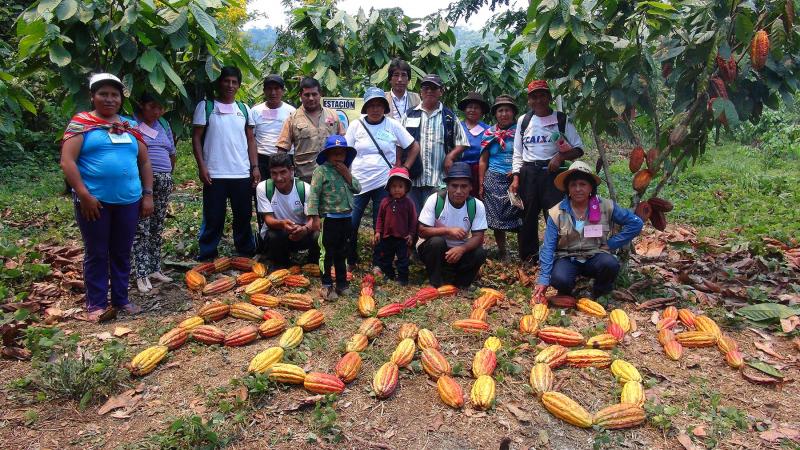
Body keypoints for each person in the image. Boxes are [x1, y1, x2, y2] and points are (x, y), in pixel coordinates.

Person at [60, 73, 153, 322]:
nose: (109, 99)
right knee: (97, 252)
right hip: (95, 202)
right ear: (93, 96)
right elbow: (67, 161)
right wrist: (83, 195)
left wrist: (147, 194)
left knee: (122, 251)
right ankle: (97, 304)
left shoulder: (129, 126)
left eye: (114, 95)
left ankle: (121, 299)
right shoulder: (81, 124)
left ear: (121, 98)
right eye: (103, 94)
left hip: (129, 201)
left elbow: (144, 162)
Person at [533, 161, 643, 299]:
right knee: (559, 278)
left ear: (591, 187)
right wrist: (543, 279)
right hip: (567, 258)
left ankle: (600, 292)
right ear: (567, 189)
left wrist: (612, 244)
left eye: (583, 184)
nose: (578, 189)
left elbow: (636, 223)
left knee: (610, 264)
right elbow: (548, 247)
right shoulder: (557, 212)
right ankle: (571, 292)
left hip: (595, 256)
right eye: (573, 185)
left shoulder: (606, 206)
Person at [510, 80, 585, 264]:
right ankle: (529, 257)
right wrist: (516, 177)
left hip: (553, 174)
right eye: (534, 97)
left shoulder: (561, 119)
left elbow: (578, 148)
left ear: (549, 97)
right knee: (528, 216)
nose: (538, 100)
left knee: (556, 214)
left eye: (542, 95)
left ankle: (559, 255)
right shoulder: (524, 120)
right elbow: (518, 152)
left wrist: (560, 156)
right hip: (529, 172)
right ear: (529, 100)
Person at [345, 87, 419, 268]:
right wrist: (345, 176)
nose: (375, 109)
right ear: (366, 107)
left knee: (382, 225)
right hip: (358, 183)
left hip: (384, 183)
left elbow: (413, 146)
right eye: (371, 105)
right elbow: (346, 152)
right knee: (351, 222)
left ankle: (379, 263)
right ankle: (350, 259)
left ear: (385, 108)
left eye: (379, 105)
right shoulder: (356, 125)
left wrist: (405, 168)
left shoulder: (392, 125)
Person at [192, 66, 259, 261]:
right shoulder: (206, 107)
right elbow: (196, 138)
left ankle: (245, 251)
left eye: (234, 82)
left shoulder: (244, 109)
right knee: (213, 216)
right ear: (219, 83)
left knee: (243, 215)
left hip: (241, 172)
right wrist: (202, 166)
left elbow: (251, 140)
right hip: (215, 173)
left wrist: (254, 167)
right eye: (226, 81)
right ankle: (208, 252)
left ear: (238, 85)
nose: (230, 85)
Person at [402, 74, 469, 213]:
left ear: (441, 92)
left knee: (435, 218)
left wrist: (450, 156)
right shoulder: (409, 115)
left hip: (438, 180)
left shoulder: (449, 116)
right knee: (412, 218)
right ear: (421, 92)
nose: (429, 91)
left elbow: (462, 142)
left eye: (434, 88)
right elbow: (399, 143)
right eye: (426, 88)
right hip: (412, 179)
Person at [132, 92, 177, 293]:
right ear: (142, 105)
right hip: (143, 182)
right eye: (152, 107)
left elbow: (172, 152)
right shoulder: (132, 122)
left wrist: (168, 175)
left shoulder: (164, 124)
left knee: (157, 226)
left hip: (163, 181)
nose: (157, 112)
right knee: (142, 227)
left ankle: (154, 268)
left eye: (160, 108)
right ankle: (140, 273)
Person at [307, 135, 361, 300]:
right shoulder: (321, 171)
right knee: (327, 252)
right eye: (334, 153)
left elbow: (358, 188)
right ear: (327, 154)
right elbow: (314, 195)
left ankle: (342, 284)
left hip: (346, 217)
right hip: (329, 218)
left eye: (341, 153)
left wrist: (346, 174)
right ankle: (327, 285)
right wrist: (314, 217)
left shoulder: (346, 170)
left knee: (342, 252)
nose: (338, 156)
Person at [417, 162, 487, 289]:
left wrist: (462, 249)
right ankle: (436, 282)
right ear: (447, 186)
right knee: (437, 242)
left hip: (460, 252)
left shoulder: (477, 205)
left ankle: (461, 284)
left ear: (471, 187)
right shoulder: (435, 200)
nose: (458, 191)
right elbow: (422, 231)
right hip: (436, 251)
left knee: (480, 253)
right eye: (454, 186)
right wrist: (447, 231)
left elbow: (478, 237)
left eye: (464, 186)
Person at [251, 74, 296, 249]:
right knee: (262, 197)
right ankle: (265, 240)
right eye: (269, 89)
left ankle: (288, 236)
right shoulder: (256, 111)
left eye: (277, 88)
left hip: (285, 159)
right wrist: (254, 166)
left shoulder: (291, 111)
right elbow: (251, 139)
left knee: (286, 197)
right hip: (262, 159)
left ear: (283, 91)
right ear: (264, 91)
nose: (273, 92)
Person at [255, 153, 319, 270]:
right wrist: (282, 224)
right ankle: (281, 264)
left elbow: (314, 220)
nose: (279, 178)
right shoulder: (263, 188)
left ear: (291, 170)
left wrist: (304, 229)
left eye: (283, 172)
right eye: (274, 173)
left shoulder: (305, 189)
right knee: (273, 235)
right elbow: (268, 219)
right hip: (279, 233)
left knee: (317, 234)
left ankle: (313, 263)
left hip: (301, 232)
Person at [276, 77, 345, 183]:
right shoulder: (292, 119)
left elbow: (343, 144)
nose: (311, 98)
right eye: (307, 95)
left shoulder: (333, 115)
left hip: (332, 176)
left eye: (314, 94)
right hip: (305, 178)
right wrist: (283, 175)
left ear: (320, 94)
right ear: (300, 96)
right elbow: (282, 149)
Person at [478, 95, 521, 259]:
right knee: (496, 217)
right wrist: (481, 183)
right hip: (494, 178)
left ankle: (523, 251)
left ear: (513, 113)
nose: (504, 114)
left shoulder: (520, 132)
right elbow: (483, 160)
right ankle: (503, 252)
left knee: (520, 215)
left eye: (507, 110)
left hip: (516, 178)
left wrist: (517, 172)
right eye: (500, 110)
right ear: (495, 114)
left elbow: (527, 155)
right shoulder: (489, 133)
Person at [373, 167, 417, 285]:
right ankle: (389, 275)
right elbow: (380, 218)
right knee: (386, 258)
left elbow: (413, 220)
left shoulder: (409, 203)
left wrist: (411, 234)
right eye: (394, 186)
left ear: (406, 188)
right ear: (389, 187)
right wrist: (378, 231)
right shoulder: (385, 202)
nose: (397, 189)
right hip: (387, 236)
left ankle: (403, 279)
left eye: (400, 186)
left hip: (403, 237)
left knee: (403, 259)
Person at [444, 92, 490, 197]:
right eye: (470, 107)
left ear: (482, 111)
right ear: (465, 110)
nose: (472, 110)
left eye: (476, 108)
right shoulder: (456, 127)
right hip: (458, 171)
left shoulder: (488, 130)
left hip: (478, 171)